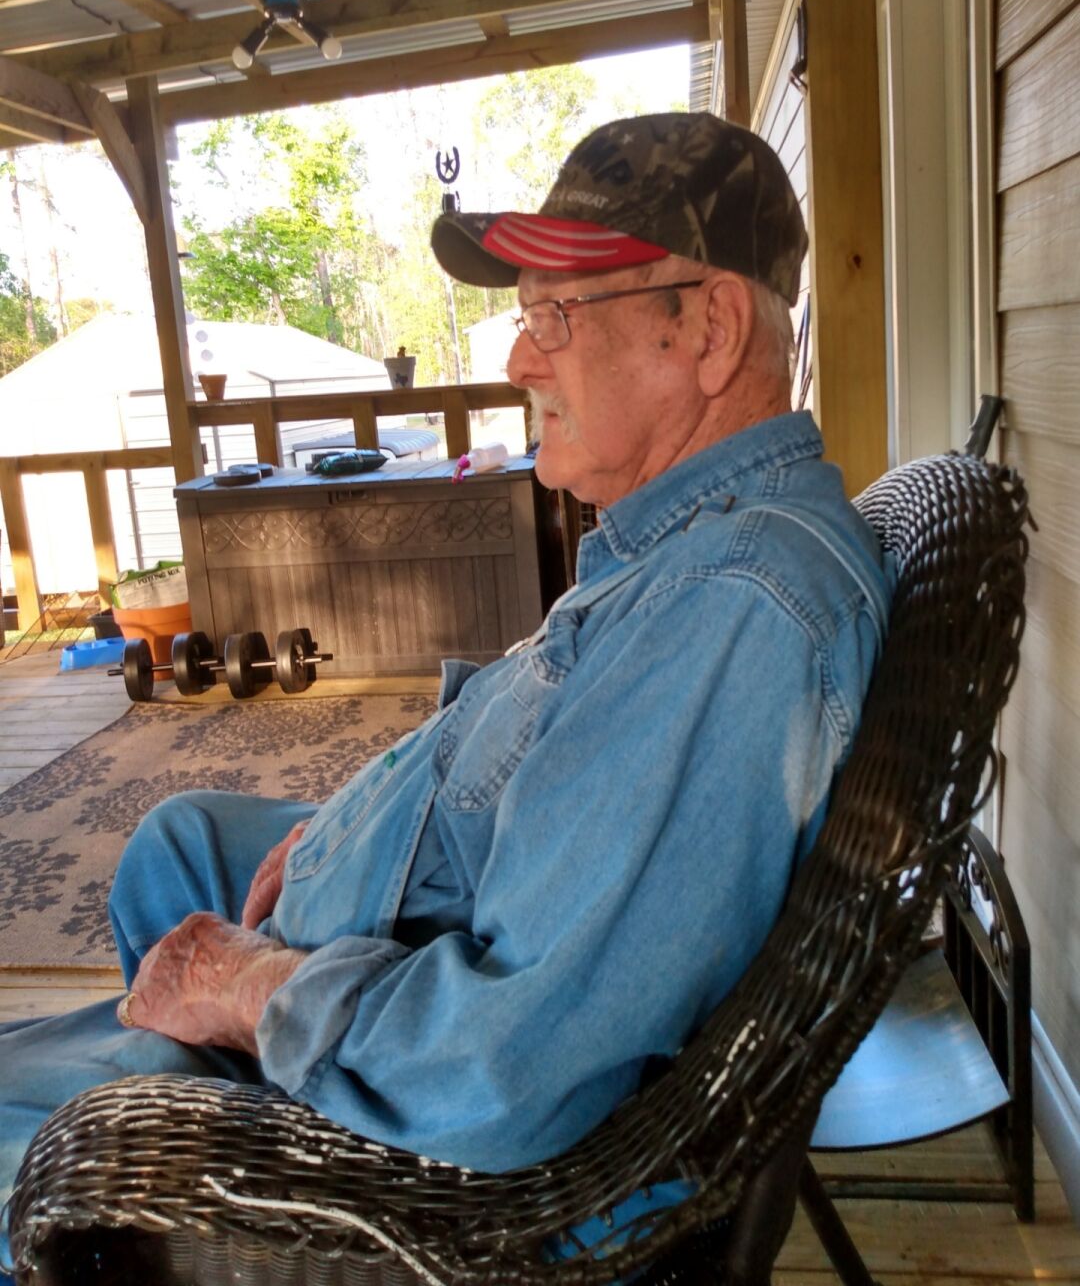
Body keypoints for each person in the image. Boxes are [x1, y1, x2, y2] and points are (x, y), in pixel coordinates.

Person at [0, 113, 891, 1272]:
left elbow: (508, 1063)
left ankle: (183, 1180)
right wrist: (353, 824)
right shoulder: (687, 541)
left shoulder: (735, 607)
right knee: (181, 842)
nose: (520, 361)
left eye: (555, 316)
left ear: (710, 330)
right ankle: (166, 1192)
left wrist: (254, 986)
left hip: (448, 1154)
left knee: (28, 1112)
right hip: (428, 943)